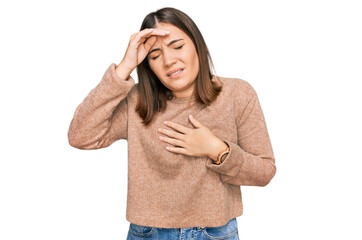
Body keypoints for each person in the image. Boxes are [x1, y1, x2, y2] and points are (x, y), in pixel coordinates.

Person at [68, 7, 276, 240]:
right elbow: (80, 136)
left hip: (215, 233)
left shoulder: (237, 94)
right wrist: (124, 67)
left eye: (178, 46)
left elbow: (264, 172)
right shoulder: (137, 102)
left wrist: (218, 150)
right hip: (148, 233)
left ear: (198, 45)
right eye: (155, 56)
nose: (168, 61)